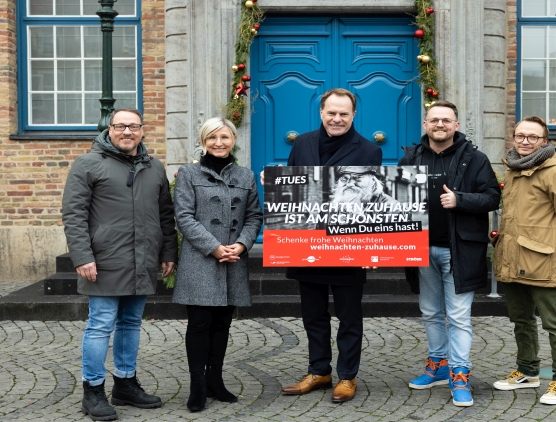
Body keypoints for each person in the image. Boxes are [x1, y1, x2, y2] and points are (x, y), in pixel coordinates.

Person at [62, 108, 178, 421]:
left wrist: (168, 253)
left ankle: (125, 384)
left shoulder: (154, 167)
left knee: (130, 323)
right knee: (100, 324)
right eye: (120, 126)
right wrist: (82, 256)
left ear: (142, 130)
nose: (127, 132)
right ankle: (93, 390)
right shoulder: (88, 164)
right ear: (109, 129)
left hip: (143, 259)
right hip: (103, 259)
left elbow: (165, 215)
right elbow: (74, 215)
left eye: (133, 126)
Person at [279, 88, 381, 403]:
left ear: (353, 115)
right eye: (331, 113)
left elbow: (373, 200)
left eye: (344, 114)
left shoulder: (367, 150)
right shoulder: (303, 143)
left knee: (349, 316)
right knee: (313, 314)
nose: (337, 119)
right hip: (306, 241)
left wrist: (370, 247)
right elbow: (293, 190)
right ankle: (319, 371)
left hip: (347, 245)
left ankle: (347, 376)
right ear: (321, 112)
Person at [398, 100, 500, 407]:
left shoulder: (475, 158)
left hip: (461, 250)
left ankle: (460, 373)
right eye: (434, 120)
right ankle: (438, 364)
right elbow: (392, 199)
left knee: (457, 316)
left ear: (456, 126)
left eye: (446, 120)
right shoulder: (410, 157)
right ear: (426, 125)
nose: (440, 124)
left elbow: (493, 196)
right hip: (421, 249)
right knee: (430, 312)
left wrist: (461, 200)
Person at [172, 117, 263, 412]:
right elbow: (184, 216)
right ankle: (197, 385)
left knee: (222, 322)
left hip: (233, 259)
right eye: (212, 137)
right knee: (200, 323)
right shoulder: (188, 173)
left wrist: (242, 244)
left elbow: (254, 217)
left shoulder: (246, 176)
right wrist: (213, 248)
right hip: (201, 259)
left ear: (233, 139)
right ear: (203, 141)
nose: (219, 143)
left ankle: (216, 380)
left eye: (224, 137)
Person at [492, 115, 556, 405]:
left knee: (554, 322)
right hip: (512, 256)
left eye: (532, 137)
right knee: (520, 320)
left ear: (544, 141)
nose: (525, 141)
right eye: (520, 136)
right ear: (514, 137)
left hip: (541, 259)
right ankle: (528, 370)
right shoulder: (513, 169)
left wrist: (555, 251)